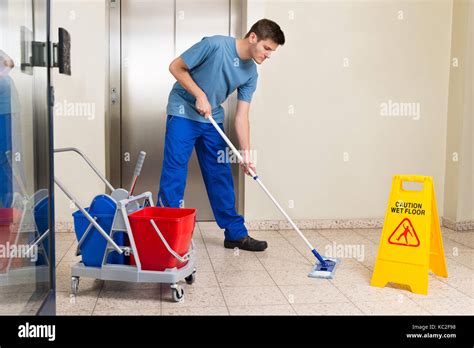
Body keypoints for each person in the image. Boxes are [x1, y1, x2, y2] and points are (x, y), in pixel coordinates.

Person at [158, 19, 285, 251]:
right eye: (267, 48)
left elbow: (241, 117)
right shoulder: (215, 45)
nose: (268, 55)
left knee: (221, 173)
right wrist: (199, 94)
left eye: (272, 52)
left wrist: (246, 155)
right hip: (183, 111)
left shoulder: (251, 74)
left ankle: (235, 234)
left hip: (211, 117)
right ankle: (165, 235)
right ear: (253, 37)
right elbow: (175, 67)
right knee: (175, 171)